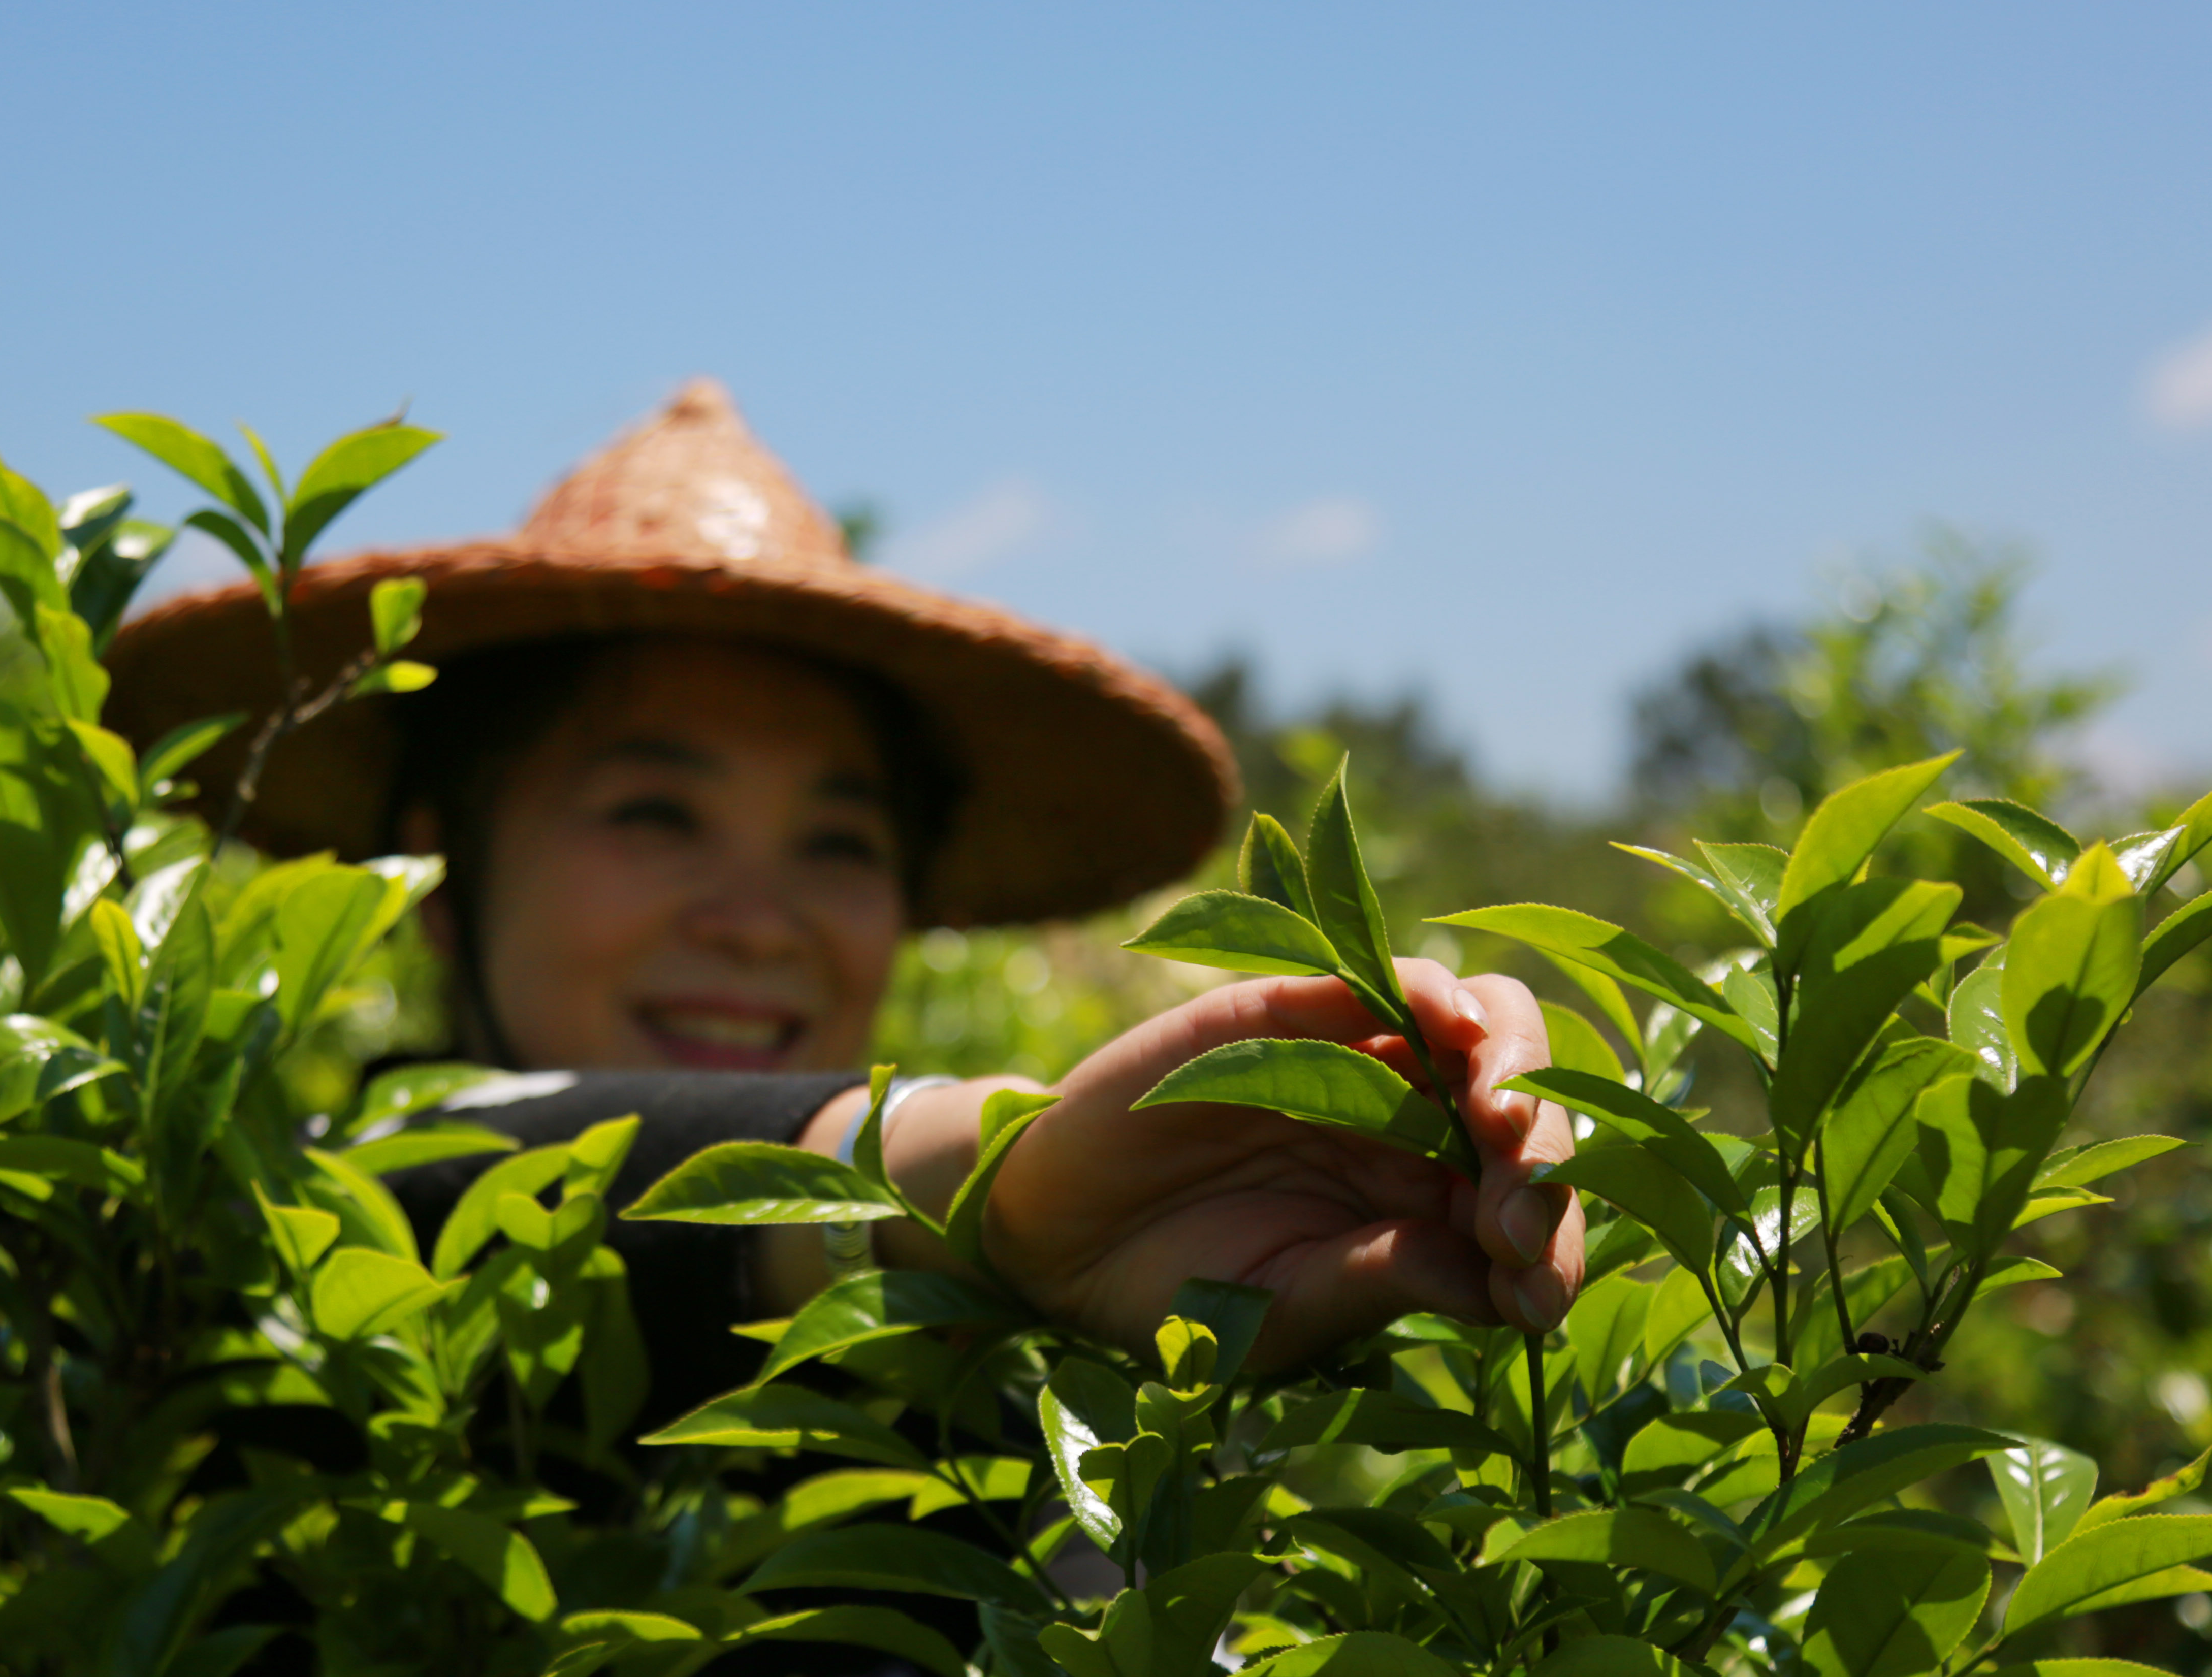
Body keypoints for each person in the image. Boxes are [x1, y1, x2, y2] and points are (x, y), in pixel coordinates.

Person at [103, 382, 1582, 1422]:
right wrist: (993, 1180)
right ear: (436, 873)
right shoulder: (261, 1243)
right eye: (653, 814)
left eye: (837, 843)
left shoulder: (1013, 1440)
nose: (760, 919)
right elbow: (466, 1175)